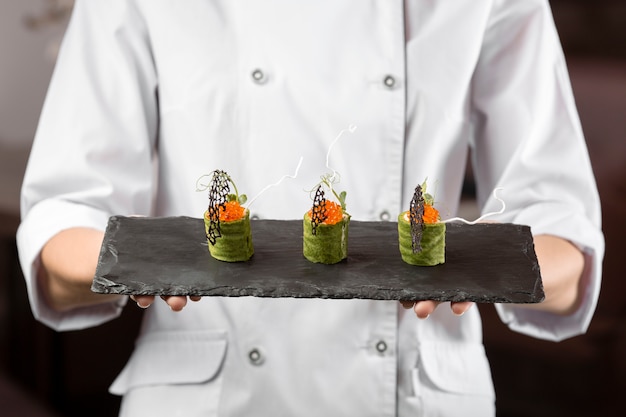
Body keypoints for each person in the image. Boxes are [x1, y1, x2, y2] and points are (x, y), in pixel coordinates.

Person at [17, 0, 604, 416]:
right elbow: (62, 224)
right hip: (207, 396)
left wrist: (472, 263)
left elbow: (565, 242)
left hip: (411, 389)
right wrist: (152, 262)